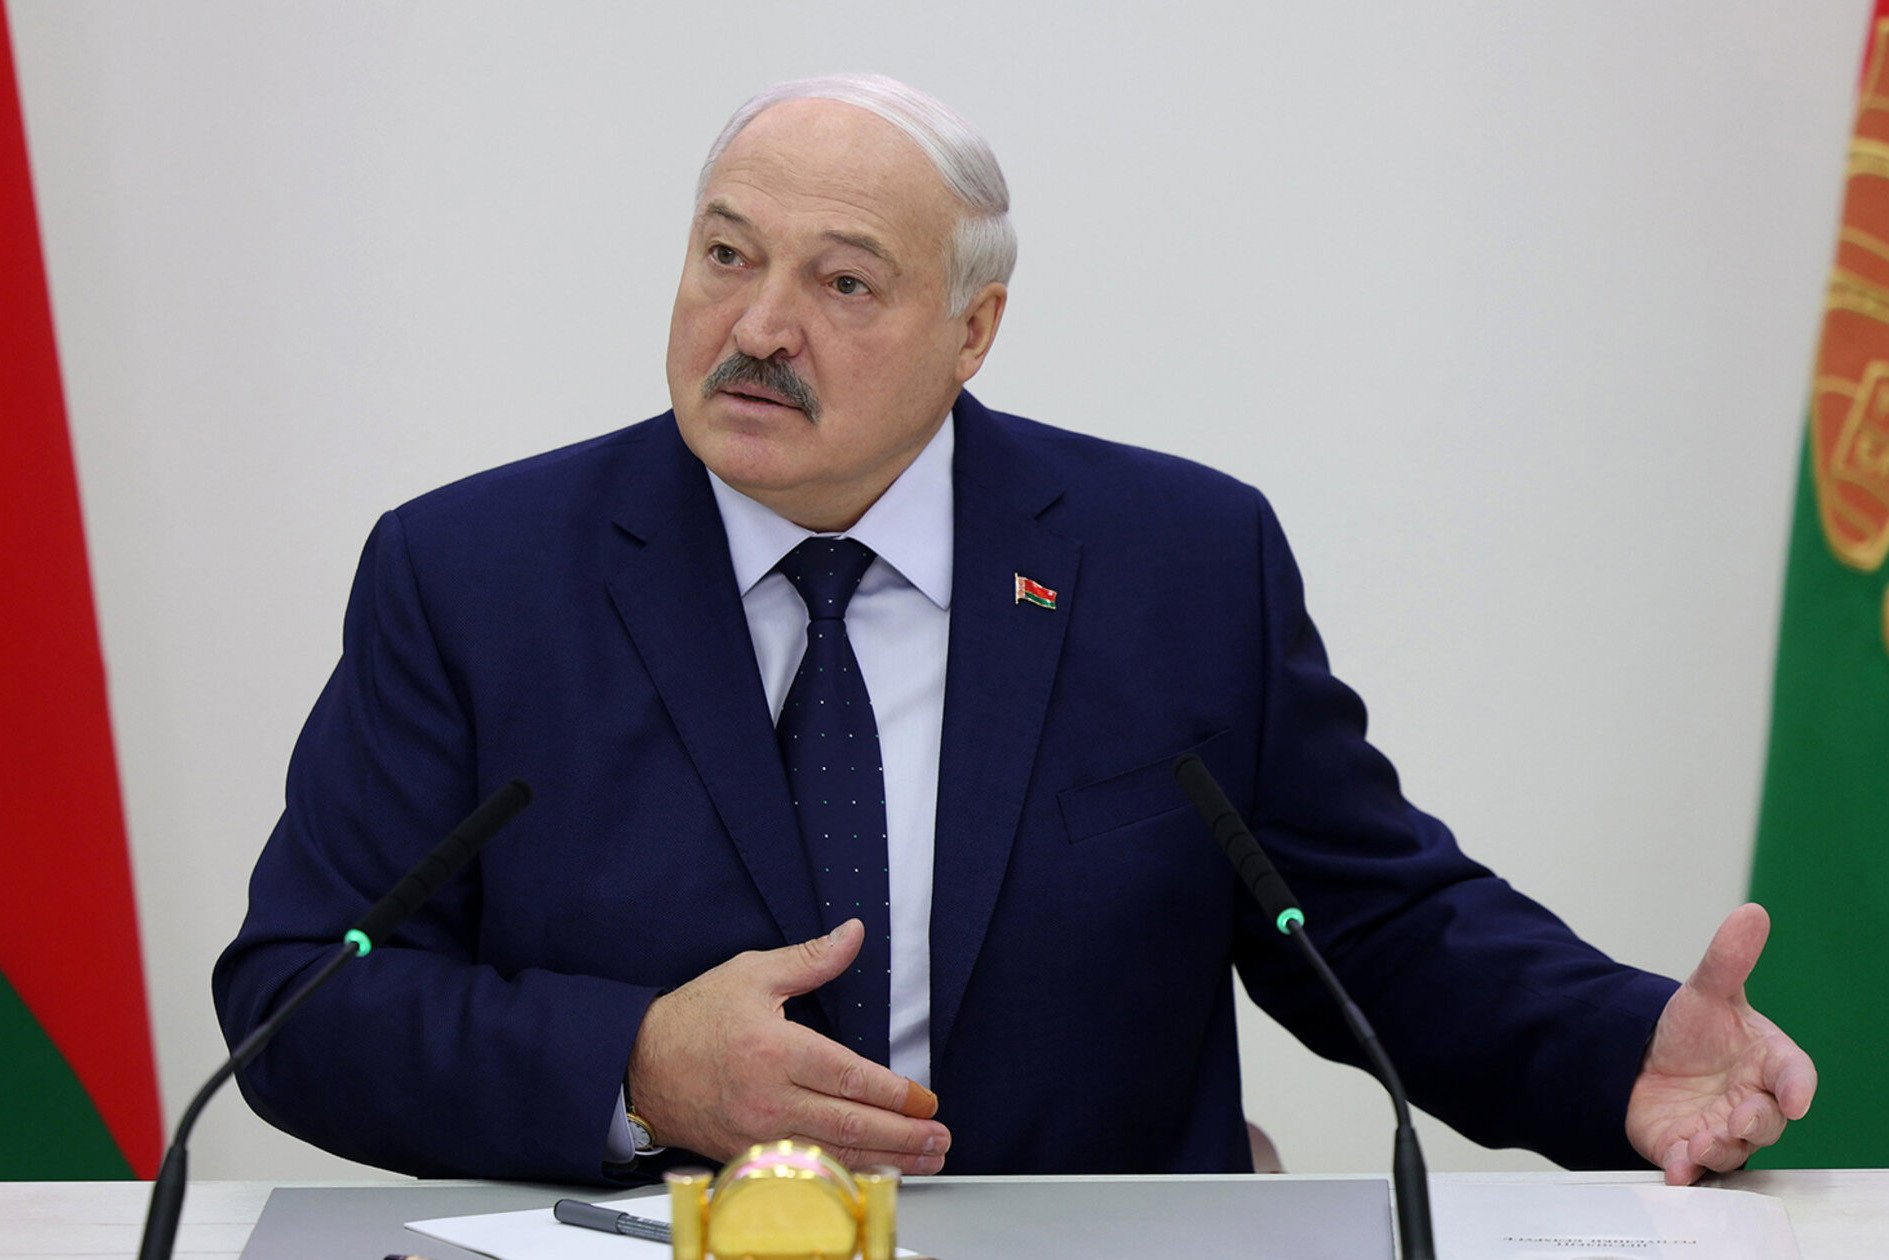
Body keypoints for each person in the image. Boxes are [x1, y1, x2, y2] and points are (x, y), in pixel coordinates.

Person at [214, 73, 1815, 1187]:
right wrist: (634, 1064)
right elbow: (302, 997)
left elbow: (1366, 929)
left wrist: (1623, 1053)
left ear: (972, 328)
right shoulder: (474, 573)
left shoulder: (1175, 559)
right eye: (725, 255)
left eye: (842, 283)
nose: (756, 326)